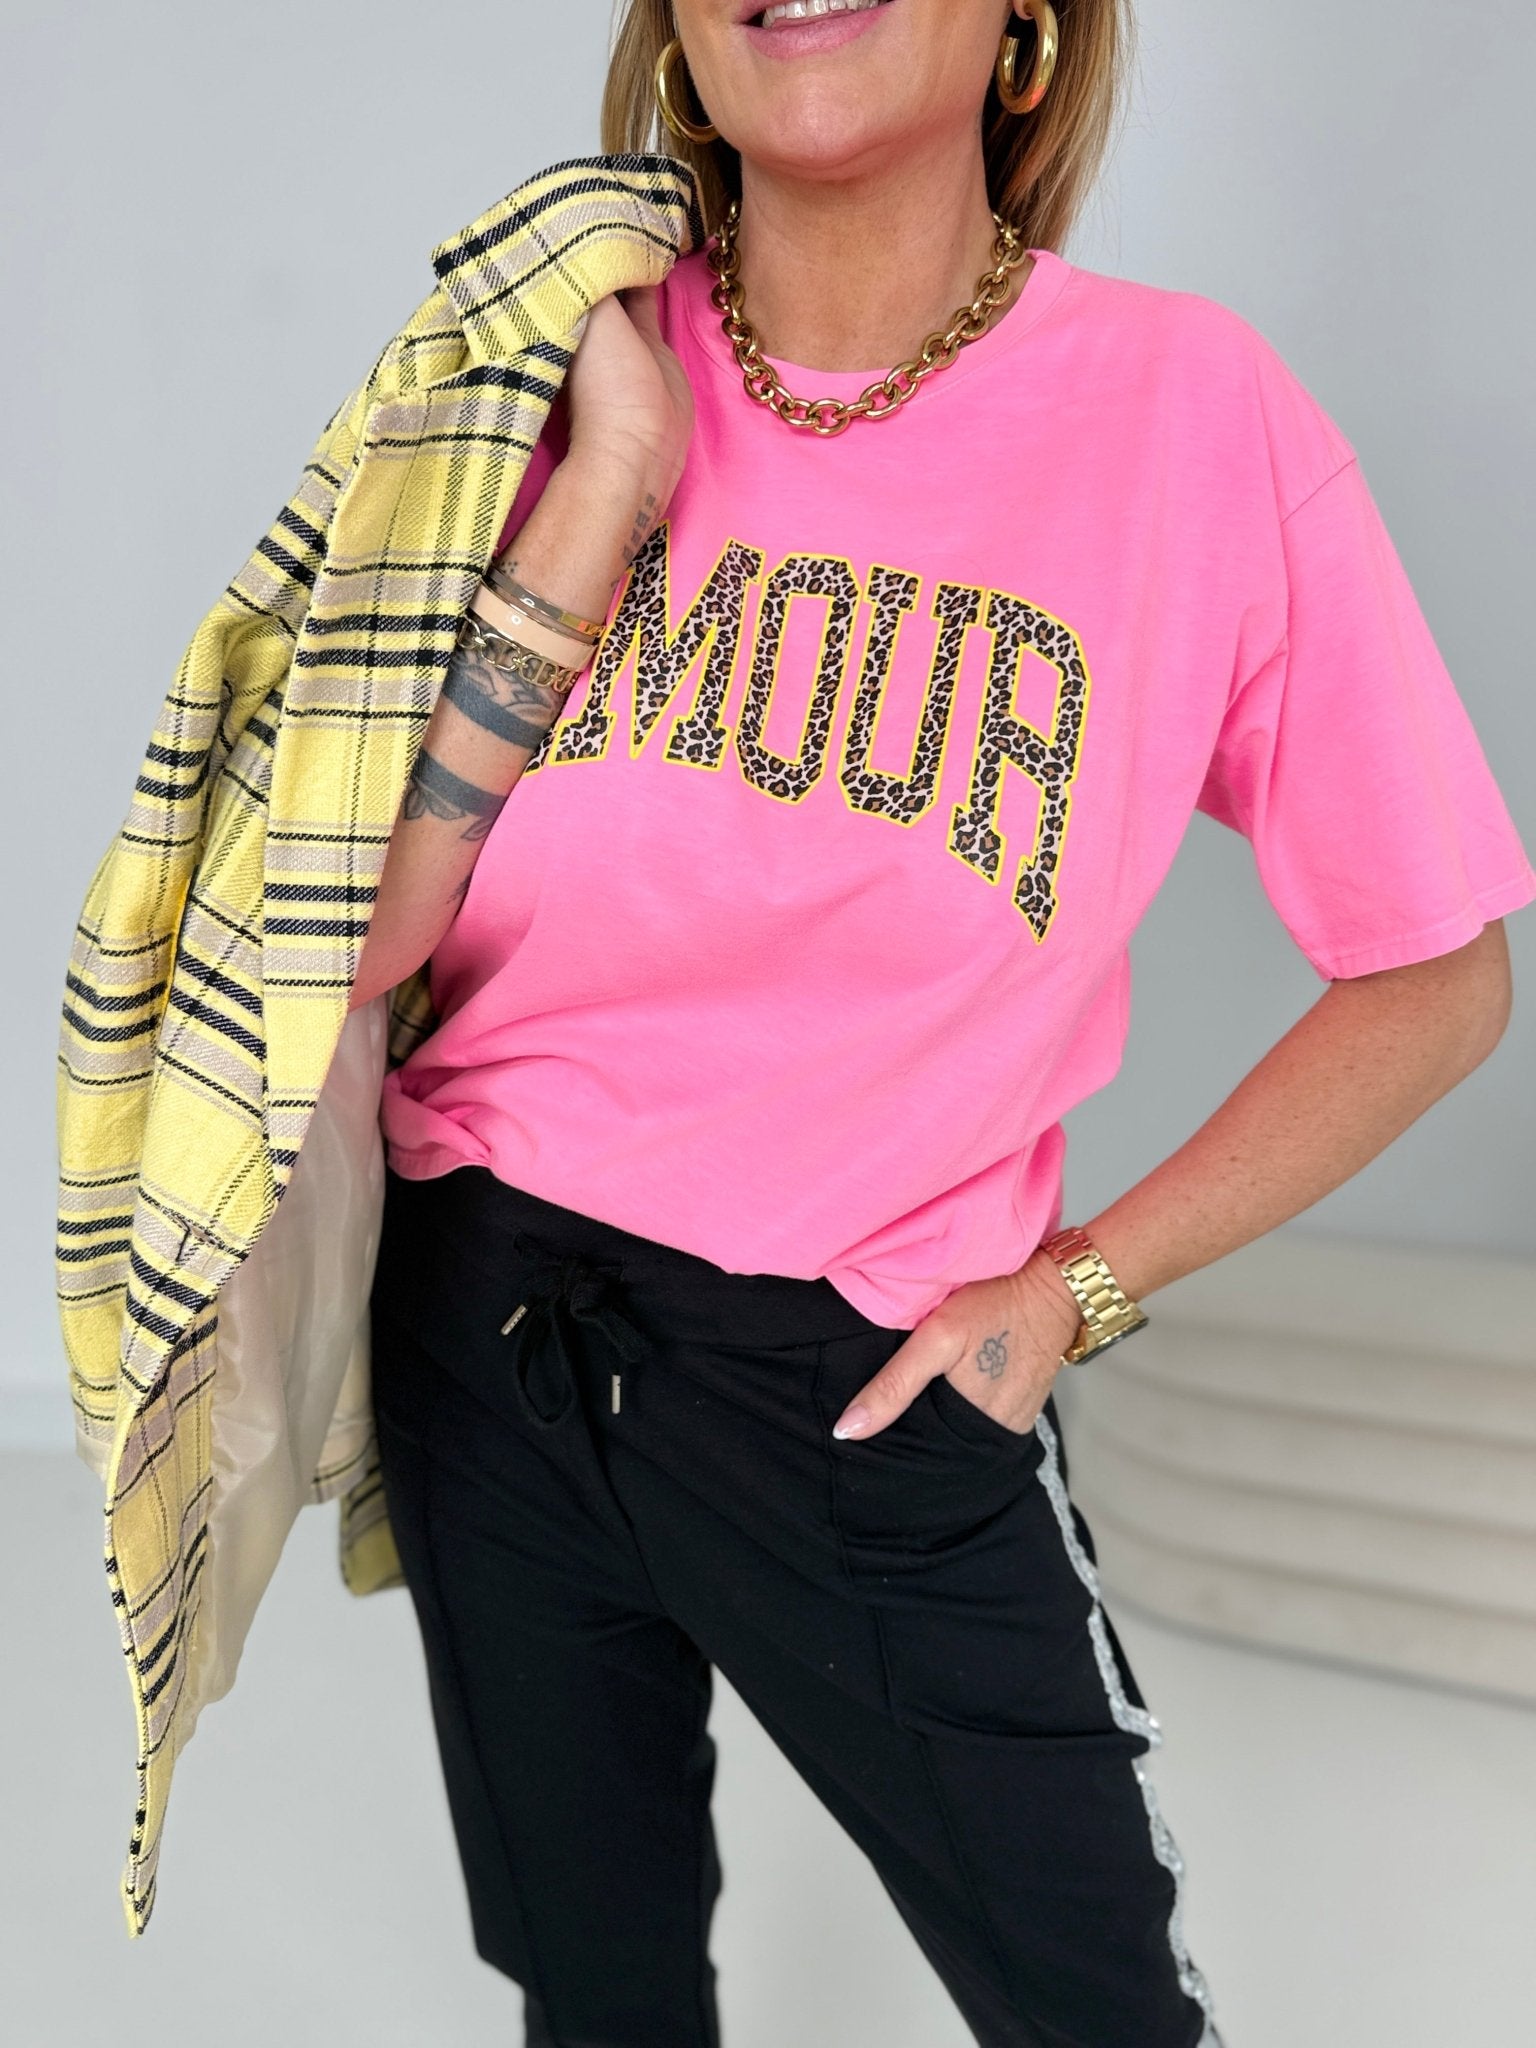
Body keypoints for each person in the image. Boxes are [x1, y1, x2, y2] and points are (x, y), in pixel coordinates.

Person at [350, 3, 1533, 2044]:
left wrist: (1077, 1290)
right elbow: (357, 946)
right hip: (484, 1321)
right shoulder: (537, 375)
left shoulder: (1193, 420)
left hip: (865, 1385)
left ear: (1028, 29)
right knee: (596, 1996)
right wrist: (603, 476)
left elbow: (1438, 968)